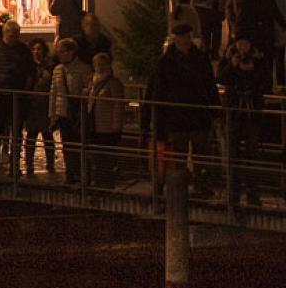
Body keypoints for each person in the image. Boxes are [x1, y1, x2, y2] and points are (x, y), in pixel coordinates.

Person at [143, 23, 220, 183]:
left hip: (196, 115)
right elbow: (157, 92)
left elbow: (210, 86)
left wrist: (214, 110)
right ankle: (180, 186)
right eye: (182, 37)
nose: (185, 40)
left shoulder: (197, 59)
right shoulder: (165, 63)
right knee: (179, 156)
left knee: (200, 154)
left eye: (187, 37)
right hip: (178, 116)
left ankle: (200, 184)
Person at [218, 37, 269, 206]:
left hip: (251, 111)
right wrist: (233, 65)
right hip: (234, 111)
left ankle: (253, 193)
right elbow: (221, 78)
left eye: (246, 43)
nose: (243, 47)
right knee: (232, 153)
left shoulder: (258, 59)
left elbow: (265, 82)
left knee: (252, 153)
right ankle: (233, 193)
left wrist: (253, 69)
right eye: (240, 43)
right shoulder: (230, 56)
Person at [0, 21, 36, 164]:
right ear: (5, 34)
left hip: (18, 94)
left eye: (16, 35)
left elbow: (31, 70)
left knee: (17, 127)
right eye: (11, 35)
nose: (13, 38)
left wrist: (26, 89)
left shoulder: (23, 49)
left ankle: (15, 156)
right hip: (0, 94)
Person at [48, 38, 94, 185]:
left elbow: (89, 88)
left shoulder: (83, 68)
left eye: (62, 52)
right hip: (63, 112)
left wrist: (82, 94)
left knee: (80, 143)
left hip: (78, 112)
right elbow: (53, 93)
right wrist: (52, 113)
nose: (59, 55)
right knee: (66, 144)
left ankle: (82, 174)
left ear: (71, 52)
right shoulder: (57, 70)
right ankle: (70, 173)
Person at [87, 52, 127, 187]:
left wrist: (116, 125)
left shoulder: (113, 83)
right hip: (95, 125)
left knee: (107, 155)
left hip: (108, 126)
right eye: (97, 64)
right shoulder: (92, 82)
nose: (100, 67)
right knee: (96, 154)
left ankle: (106, 182)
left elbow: (118, 105)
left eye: (103, 64)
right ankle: (98, 180)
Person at [21, 38, 55, 177]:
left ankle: (51, 164)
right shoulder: (28, 66)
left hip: (45, 104)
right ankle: (29, 165)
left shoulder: (49, 66)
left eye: (39, 49)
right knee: (31, 136)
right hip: (32, 105)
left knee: (47, 135)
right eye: (34, 49)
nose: (36, 52)